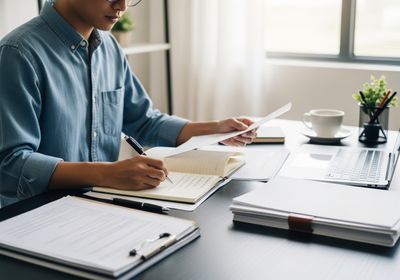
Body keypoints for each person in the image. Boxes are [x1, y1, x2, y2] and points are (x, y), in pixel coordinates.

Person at [0, 0, 256, 207]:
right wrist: (108, 174)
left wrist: (214, 129)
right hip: (34, 215)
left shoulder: (109, 48)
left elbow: (144, 121)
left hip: (99, 206)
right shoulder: (18, 54)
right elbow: (9, 165)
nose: (121, 6)